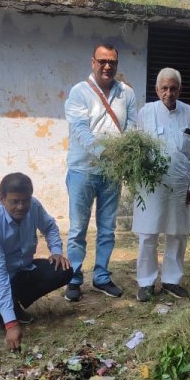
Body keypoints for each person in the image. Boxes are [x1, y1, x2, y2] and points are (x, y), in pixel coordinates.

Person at [0, 172, 72, 351]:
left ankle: (13, 304)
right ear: (2, 199)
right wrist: (11, 325)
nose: (21, 206)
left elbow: (49, 226)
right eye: (14, 201)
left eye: (25, 200)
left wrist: (56, 250)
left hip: (18, 268)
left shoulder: (34, 206)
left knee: (63, 269)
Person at [63, 43, 138, 301]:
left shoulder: (126, 93)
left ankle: (102, 277)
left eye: (112, 62)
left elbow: (131, 127)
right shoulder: (79, 92)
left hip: (112, 173)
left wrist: (122, 157)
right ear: (92, 62)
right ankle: (73, 277)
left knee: (107, 228)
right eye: (102, 61)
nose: (107, 66)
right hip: (82, 170)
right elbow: (80, 130)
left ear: (117, 65)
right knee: (78, 229)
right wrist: (103, 152)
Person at [132, 68, 190, 302]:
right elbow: (136, 149)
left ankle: (172, 280)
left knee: (177, 234)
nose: (169, 93)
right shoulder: (145, 113)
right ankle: (145, 282)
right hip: (151, 185)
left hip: (181, 183)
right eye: (164, 88)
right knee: (148, 233)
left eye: (173, 88)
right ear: (156, 89)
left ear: (180, 90)